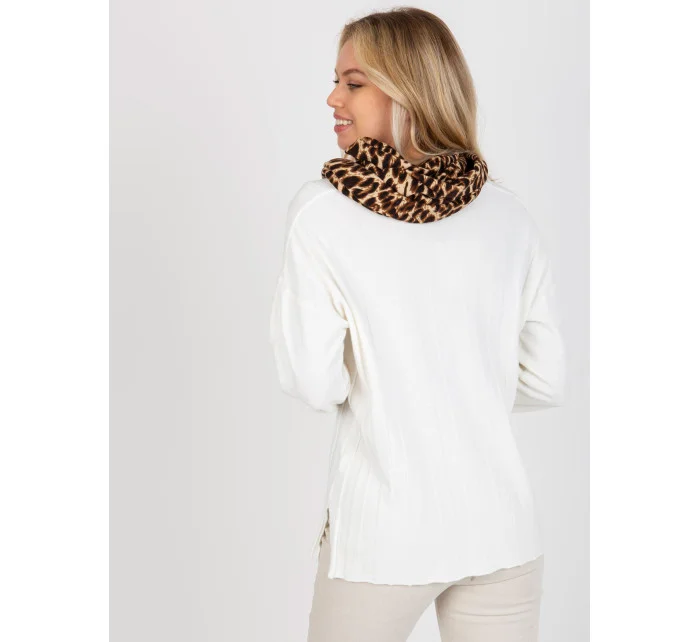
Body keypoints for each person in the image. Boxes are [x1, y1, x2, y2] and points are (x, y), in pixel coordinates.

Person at [268, 7, 566, 642]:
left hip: (385, 536)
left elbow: (312, 381)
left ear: (409, 90)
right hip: (502, 531)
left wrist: (396, 382)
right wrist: (462, 383)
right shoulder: (507, 215)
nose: (333, 98)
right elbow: (546, 379)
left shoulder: (322, 214)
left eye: (353, 83)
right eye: (336, 81)